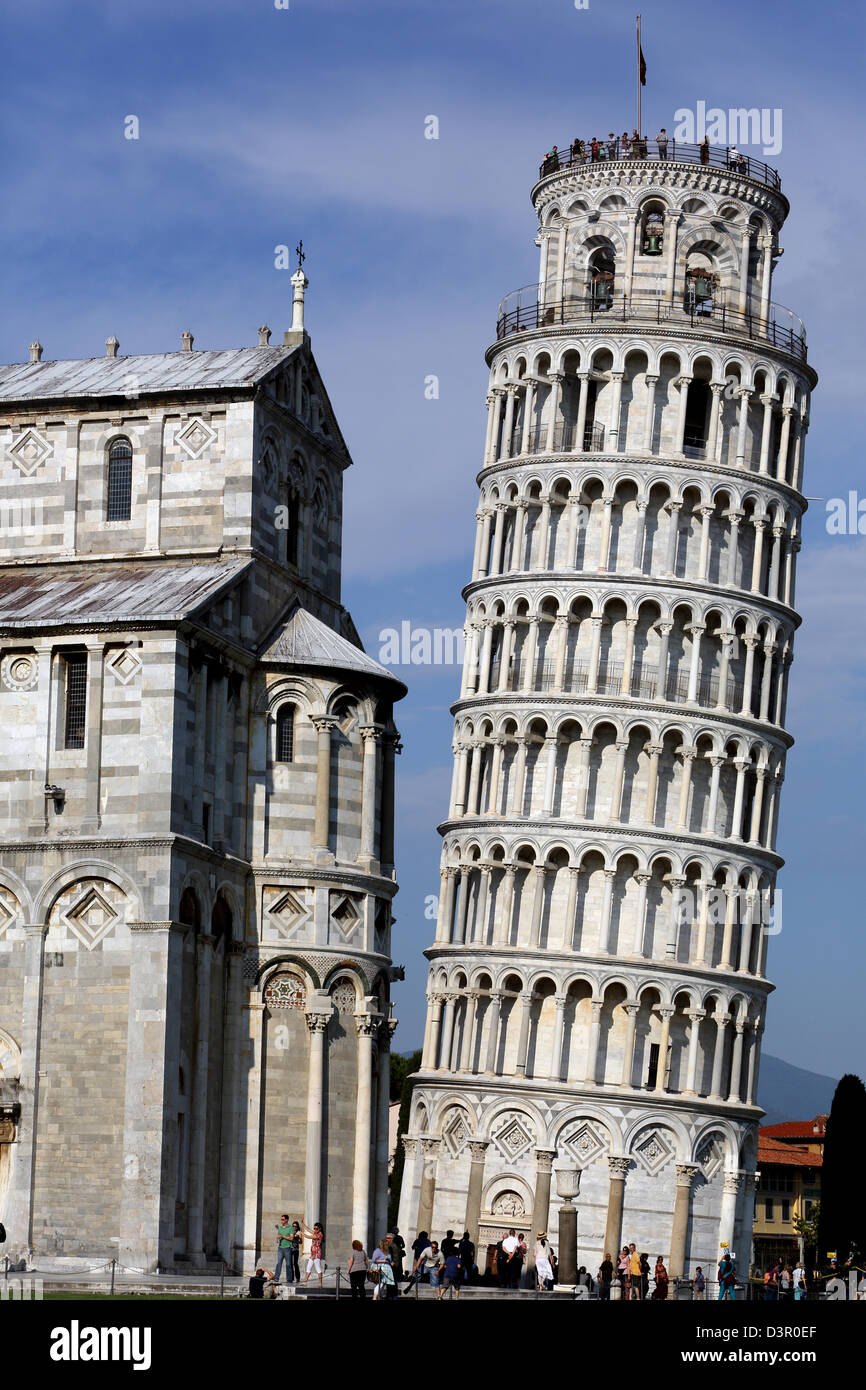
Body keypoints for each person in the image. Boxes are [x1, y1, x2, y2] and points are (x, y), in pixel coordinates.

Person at [302, 1221, 325, 1287]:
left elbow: (309, 1237)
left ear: (320, 1229)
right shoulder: (315, 1233)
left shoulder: (319, 1235)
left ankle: (320, 1283)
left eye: (316, 1229)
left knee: (318, 1268)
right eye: (314, 1228)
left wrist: (302, 1233)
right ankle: (305, 1282)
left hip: (317, 1253)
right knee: (308, 1267)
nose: (315, 1230)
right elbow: (308, 1229)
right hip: (312, 1254)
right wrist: (303, 1224)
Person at [274, 1214, 295, 1283]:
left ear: (286, 1220)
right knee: (279, 1263)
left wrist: (283, 1236)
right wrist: (277, 1239)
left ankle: (289, 1279)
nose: (281, 1221)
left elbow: (291, 1238)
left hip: (287, 1248)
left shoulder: (290, 1228)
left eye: (283, 1219)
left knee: (288, 1264)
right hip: (280, 1248)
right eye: (281, 1219)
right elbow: (279, 1236)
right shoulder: (280, 1228)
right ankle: (276, 1277)